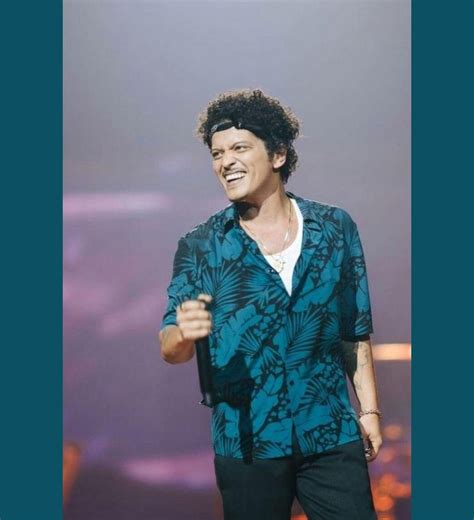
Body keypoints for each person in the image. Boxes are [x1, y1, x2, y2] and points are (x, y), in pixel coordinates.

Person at [159, 89, 382, 520]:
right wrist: (183, 333)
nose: (226, 162)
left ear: (278, 154)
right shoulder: (201, 246)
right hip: (248, 445)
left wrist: (369, 410)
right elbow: (170, 347)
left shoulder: (334, 228)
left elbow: (354, 332)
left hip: (329, 433)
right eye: (217, 153)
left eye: (239, 148)